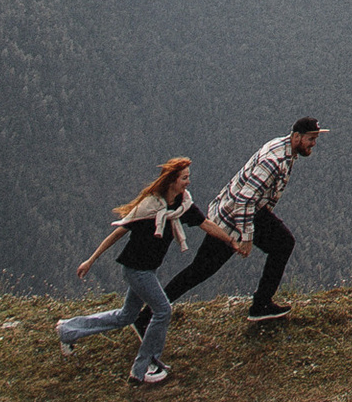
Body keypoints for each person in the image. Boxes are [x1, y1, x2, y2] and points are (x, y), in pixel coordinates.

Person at [57, 157, 234, 388]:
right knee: (162, 310)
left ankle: (68, 330)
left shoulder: (181, 205)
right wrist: (91, 260)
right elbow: (119, 232)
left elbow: (205, 224)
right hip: (136, 270)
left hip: (147, 269)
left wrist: (231, 241)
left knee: (126, 316)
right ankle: (145, 367)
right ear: (172, 180)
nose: (188, 182)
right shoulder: (150, 207)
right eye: (185, 178)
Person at [161, 117, 325, 325]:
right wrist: (246, 238)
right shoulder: (273, 162)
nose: (313, 144)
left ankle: (261, 305)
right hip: (232, 219)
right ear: (296, 137)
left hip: (251, 211)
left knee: (283, 243)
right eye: (311, 139)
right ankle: (148, 315)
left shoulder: (284, 149)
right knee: (199, 271)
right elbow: (245, 199)